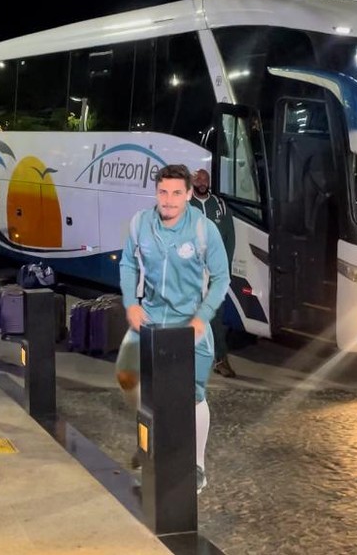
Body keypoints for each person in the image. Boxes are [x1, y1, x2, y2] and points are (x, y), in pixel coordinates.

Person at [116, 164, 231, 494]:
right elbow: (126, 264)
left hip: (189, 323)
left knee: (193, 395)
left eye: (177, 193)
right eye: (163, 192)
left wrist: (202, 316)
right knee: (127, 376)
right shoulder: (141, 224)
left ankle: (197, 466)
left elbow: (222, 278)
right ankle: (149, 438)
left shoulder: (203, 229)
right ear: (156, 192)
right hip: (150, 318)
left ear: (189, 194)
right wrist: (131, 303)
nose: (169, 200)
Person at [189, 168, 237, 378]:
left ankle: (221, 359)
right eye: (198, 178)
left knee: (216, 318)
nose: (202, 182)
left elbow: (230, 239)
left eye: (205, 178)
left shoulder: (220, 206)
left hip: (214, 275)